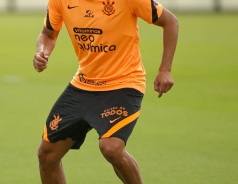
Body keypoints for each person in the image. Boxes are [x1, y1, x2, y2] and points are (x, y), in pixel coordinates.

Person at [33, 0, 178, 183]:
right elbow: (48, 34)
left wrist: (165, 70)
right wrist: (42, 52)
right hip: (83, 84)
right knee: (47, 155)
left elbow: (170, 21)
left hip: (123, 83)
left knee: (111, 148)